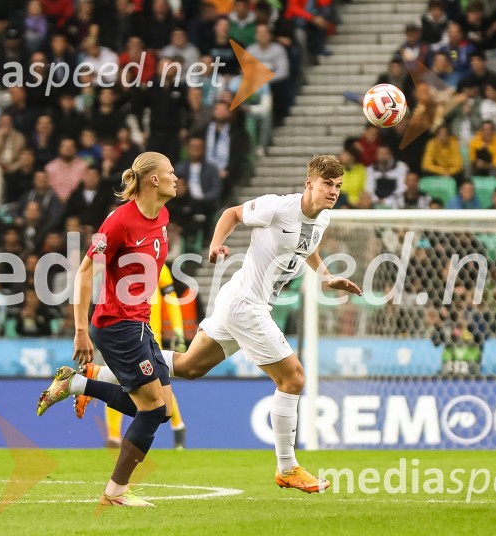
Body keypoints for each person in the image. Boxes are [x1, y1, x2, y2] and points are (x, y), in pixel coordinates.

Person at [69, 155, 360, 493]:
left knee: (190, 366)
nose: (334, 192)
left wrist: (325, 275)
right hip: (245, 304)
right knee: (293, 378)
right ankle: (287, 467)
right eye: (328, 185)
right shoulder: (277, 207)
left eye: (338, 186)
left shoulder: (322, 219)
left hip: (241, 301)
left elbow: (306, 245)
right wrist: (216, 243)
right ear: (309, 183)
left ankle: (92, 377)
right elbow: (232, 213)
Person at [36, 152, 178, 508]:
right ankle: (115, 492)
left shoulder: (162, 215)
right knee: (151, 411)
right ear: (153, 180)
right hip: (117, 326)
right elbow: (85, 273)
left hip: (140, 324)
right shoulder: (118, 223)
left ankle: (79, 383)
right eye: (170, 173)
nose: (177, 178)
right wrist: (80, 330)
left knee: (162, 410)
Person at [74, 264, 190, 450]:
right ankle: (113, 437)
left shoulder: (157, 263)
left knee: (155, 385)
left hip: (148, 335)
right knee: (127, 382)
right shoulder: (118, 262)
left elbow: (170, 298)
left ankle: (178, 427)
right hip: (122, 332)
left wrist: (178, 329)